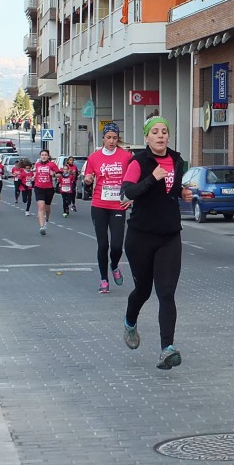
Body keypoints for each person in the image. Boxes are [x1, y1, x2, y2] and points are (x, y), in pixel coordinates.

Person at [121, 113, 192, 370]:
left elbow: (172, 190)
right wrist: (153, 178)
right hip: (140, 236)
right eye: (155, 132)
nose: (160, 135)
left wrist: (182, 192)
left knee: (166, 293)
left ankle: (167, 349)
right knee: (143, 291)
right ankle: (130, 322)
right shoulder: (138, 162)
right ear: (147, 137)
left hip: (170, 235)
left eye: (164, 131)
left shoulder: (177, 160)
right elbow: (128, 192)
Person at [83, 123, 133, 293]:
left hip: (118, 205)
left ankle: (114, 265)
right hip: (99, 205)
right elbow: (87, 178)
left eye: (115, 138)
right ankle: (104, 279)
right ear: (103, 139)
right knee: (103, 244)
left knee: (117, 245)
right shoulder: (94, 158)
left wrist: (131, 197)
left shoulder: (126, 157)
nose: (112, 141)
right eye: (108, 138)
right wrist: (88, 180)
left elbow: (133, 179)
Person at [32, 149, 60, 235]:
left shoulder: (52, 164)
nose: (44, 156)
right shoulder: (37, 164)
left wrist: (54, 174)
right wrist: (34, 177)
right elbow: (35, 173)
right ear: (40, 156)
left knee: (47, 208)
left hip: (49, 188)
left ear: (48, 156)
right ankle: (42, 227)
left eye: (45, 155)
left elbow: (59, 174)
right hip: (38, 187)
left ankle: (47, 219)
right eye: (42, 155)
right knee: (41, 207)